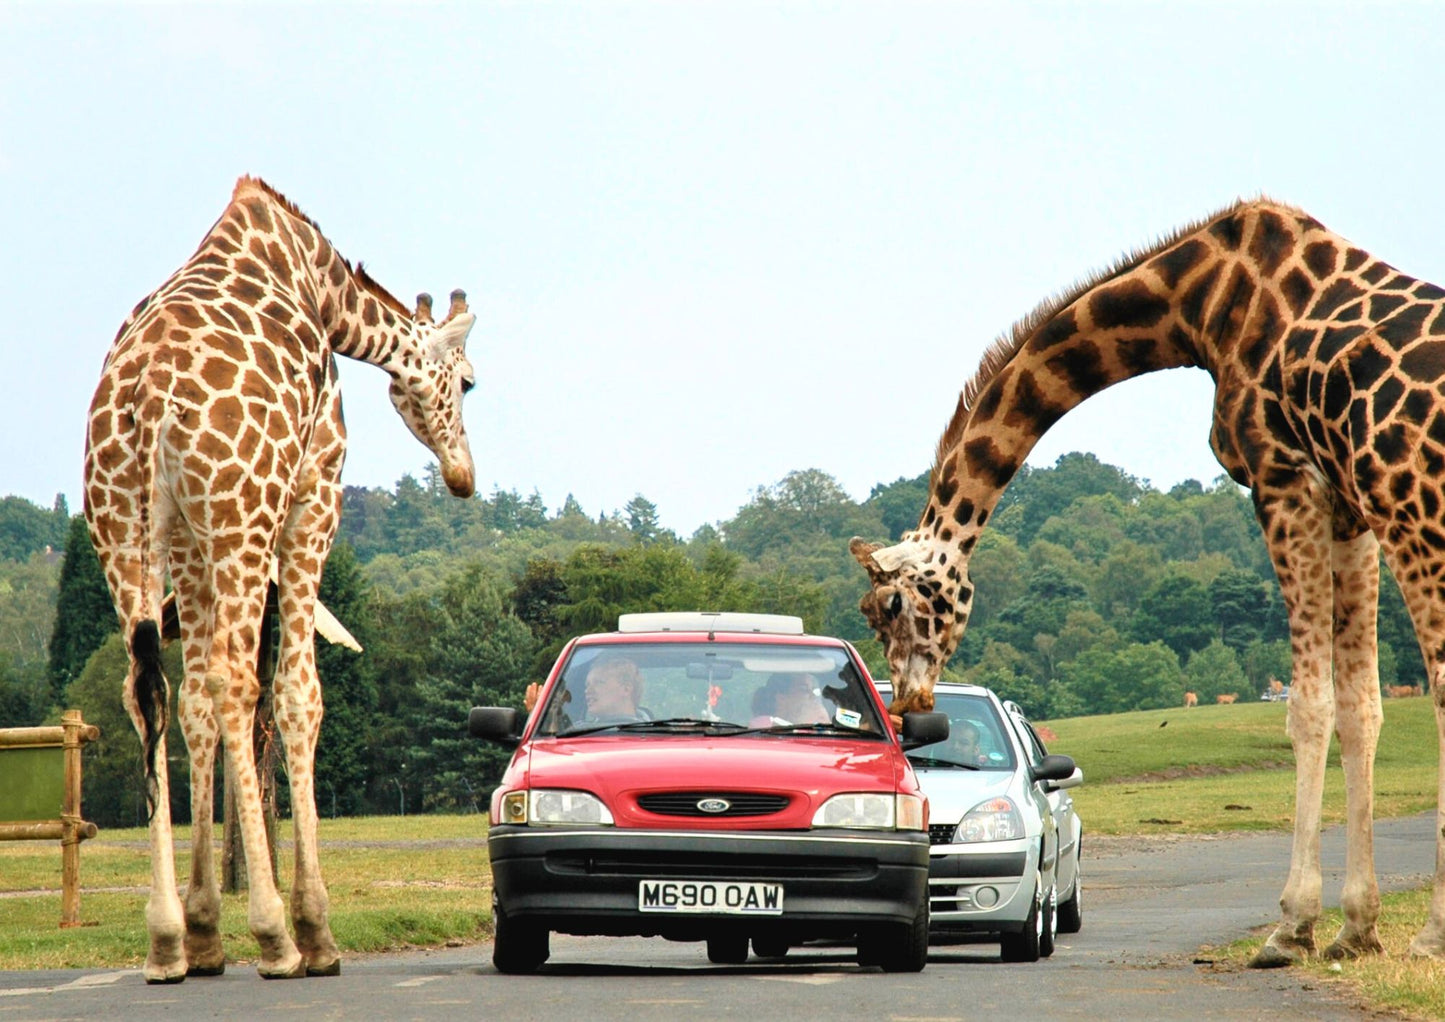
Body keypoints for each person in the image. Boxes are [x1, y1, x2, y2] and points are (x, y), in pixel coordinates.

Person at [524, 655, 646, 724]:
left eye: (599, 683)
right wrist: (541, 718)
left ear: (626, 689)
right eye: (587, 685)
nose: (588, 691)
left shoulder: (656, 734)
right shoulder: (574, 734)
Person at [750, 673, 831, 726]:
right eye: (804, 689)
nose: (813, 696)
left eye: (812, 689)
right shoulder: (764, 724)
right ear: (781, 698)